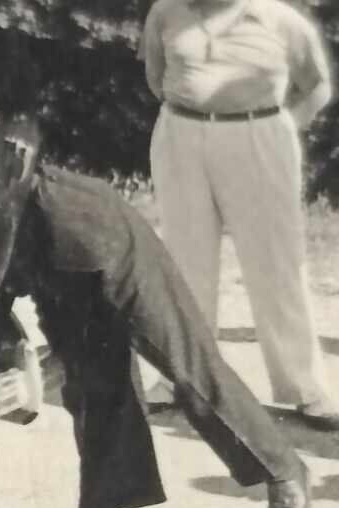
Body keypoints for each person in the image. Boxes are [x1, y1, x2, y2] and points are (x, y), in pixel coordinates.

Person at [8, 164, 310, 508]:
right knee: (93, 386)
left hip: (93, 229)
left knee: (186, 361)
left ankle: (282, 471)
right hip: (47, 256)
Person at [142, 0, 338, 429]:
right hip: (181, 134)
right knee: (182, 261)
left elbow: (318, 85)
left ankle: (305, 388)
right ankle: (181, 379)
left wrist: (279, 129)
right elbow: (156, 77)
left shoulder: (280, 19)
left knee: (277, 264)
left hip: (259, 137)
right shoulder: (166, 12)